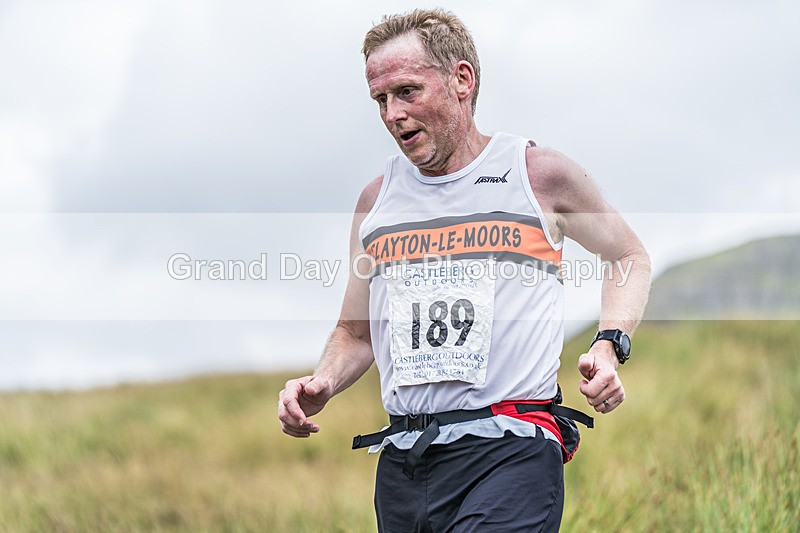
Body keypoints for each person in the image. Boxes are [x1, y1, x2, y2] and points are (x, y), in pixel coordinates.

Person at [278, 8, 651, 532]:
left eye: (406, 92)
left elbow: (628, 257)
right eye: (379, 100)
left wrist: (609, 345)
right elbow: (355, 332)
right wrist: (322, 382)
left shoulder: (536, 175)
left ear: (461, 79)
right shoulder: (376, 201)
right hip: (406, 462)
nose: (391, 114)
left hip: (512, 450)